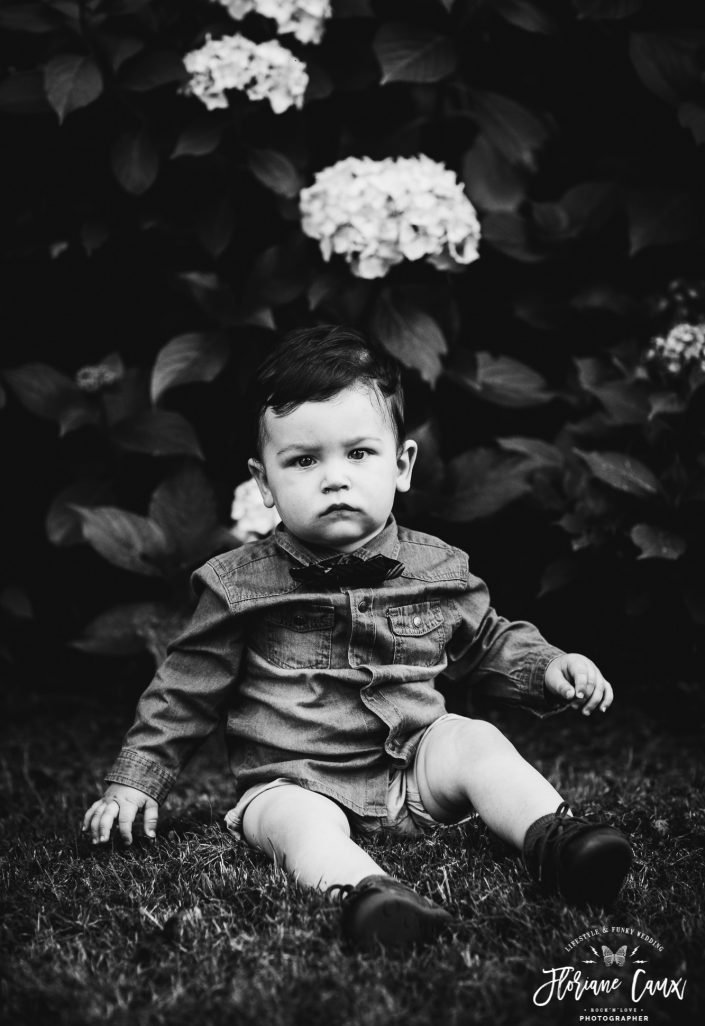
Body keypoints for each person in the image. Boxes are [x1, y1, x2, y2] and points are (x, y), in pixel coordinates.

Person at [82, 325, 632, 950]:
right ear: (264, 483)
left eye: (359, 454)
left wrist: (549, 667)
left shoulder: (438, 568)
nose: (334, 478)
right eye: (304, 460)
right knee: (296, 822)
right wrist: (136, 779)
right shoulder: (240, 586)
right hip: (293, 780)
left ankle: (556, 839)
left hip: (413, 769)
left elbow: (488, 643)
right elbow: (184, 689)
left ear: (401, 465)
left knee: (473, 740)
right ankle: (371, 894)